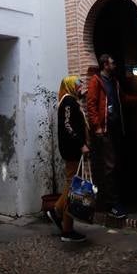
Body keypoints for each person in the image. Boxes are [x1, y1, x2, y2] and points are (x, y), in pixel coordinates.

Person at [87, 54, 137, 218]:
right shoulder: (96, 81)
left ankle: (120, 199)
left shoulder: (114, 82)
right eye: (112, 63)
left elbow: (123, 98)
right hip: (105, 130)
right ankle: (111, 204)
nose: (115, 65)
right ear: (104, 65)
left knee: (118, 163)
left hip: (116, 128)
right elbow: (91, 104)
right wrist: (98, 127)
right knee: (110, 166)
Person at [47, 75, 90, 243]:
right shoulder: (68, 102)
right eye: (78, 84)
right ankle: (58, 211)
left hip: (73, 149)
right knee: (73, 185)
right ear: (71, 86)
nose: (81, 87)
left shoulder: (72, 101)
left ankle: (66, 227)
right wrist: (81, 144)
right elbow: (68, 125)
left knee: (73, 183)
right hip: (72, 149)